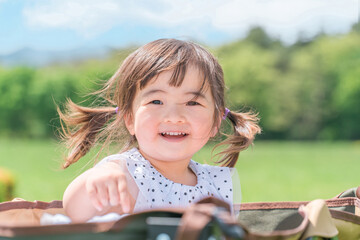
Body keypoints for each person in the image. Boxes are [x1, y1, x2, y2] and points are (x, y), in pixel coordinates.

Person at [59, 39, 261, 223]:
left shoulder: (218, 183)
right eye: (156, 101)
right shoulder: (124, 173)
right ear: (130, 119)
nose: (174, 116)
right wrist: (100, 176)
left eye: (192, 102)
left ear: (216, 121)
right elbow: (76, 210)